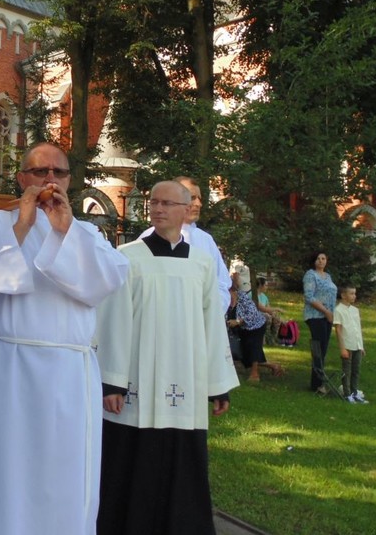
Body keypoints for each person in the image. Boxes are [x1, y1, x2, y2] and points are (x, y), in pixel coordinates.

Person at [0, 143, 129, 535]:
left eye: (59, 173)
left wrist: (65, 232)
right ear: (22, 179)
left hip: (68, 374)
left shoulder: (84, 231)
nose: (50, 179)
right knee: (5, 469)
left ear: (69, 181)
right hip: (10, 368)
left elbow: (107, 281)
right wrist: (23, 227)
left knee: (62, 473)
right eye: (40, 172)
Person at [95, 180, 240, 535]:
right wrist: (111, 382)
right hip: (136, 382)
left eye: (167, 203)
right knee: (130, 465)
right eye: (153, 203)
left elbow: (212, 325)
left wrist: (218, 386)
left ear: (186, 210)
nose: (158, 209)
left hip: (184, 384)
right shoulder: (127, 257)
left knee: (183, 464)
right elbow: (112, 321)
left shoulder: (203, 263)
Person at [137, 176, 230, 314]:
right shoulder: (148, 239)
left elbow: (221, 284)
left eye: (200, 198)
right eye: (192, 198)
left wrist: (208, 313)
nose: (198, 204)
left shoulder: (206, 240)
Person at [227, 273, 284, 381]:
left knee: (253, 349)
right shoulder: (224, 294)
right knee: (245, 352)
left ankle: (255, 375)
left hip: (256, 325)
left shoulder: (242, 296)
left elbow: (252, 312)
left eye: (233, 280)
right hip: (244, 328)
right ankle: (274, 366)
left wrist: (238, 321)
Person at [304, 251, 338, 393]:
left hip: (328, 316)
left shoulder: (328, 276)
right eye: (318, 258)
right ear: (314, 261)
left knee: (323, 348)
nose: (321, 261)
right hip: (316, 316)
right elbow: (309, 297)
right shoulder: (311, 275)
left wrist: (331, 314)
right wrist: (325, 311)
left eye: (323, 258)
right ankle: (317, 384)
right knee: (318, 348)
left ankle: (319, 381)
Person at [333, 286, 368, 404]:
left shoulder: (355, 310)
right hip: (347, 345)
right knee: (347, 371)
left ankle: (354, 392)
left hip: (356, 344)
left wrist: (361, 346)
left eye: (355, 294)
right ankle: (347, 394)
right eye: (351, 293)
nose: (354, 296)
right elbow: (338, 330)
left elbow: (358, 328)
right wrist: (342, 348)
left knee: (356, 370)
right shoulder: (338, 310)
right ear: (343, 295)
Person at [255, 276, 286, 345]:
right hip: (255, 314)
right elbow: (263, 309)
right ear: (260, 285)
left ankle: (274, 338)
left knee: (276, 317)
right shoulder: (253, 295)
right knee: (267, 317)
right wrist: (277, 309)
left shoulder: (264, 296)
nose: (267, 287)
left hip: (265, 314)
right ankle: (267, 339)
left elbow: (269, 309)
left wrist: (279, 318)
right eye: (265, 285)